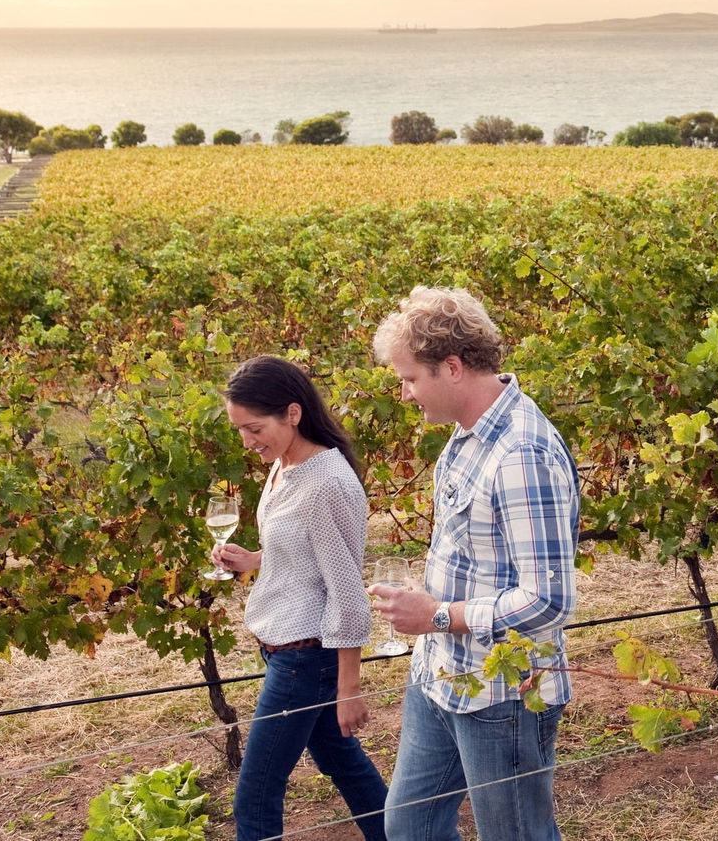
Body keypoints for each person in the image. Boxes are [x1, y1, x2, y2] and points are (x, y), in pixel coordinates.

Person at [367, 287, 579, 841]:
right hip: (441, 675)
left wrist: (438, 614)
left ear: (453, 367)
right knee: (410, 828)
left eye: (411, 378)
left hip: (504, 694)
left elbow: (549, 601)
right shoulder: (467, 437)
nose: (405, 393)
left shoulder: (521, 455)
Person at [213, 355, 388, 841]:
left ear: (292, 413)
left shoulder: (325, 482)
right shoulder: (285, 465)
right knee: (344, 763)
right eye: (239, 430)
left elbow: (346, 591)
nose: (247, 442)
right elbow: (307, 554)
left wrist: (349, 687)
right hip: (286, 650)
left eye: (254, 428)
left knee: (255, 793)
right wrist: (253, 559)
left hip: (305, 658)